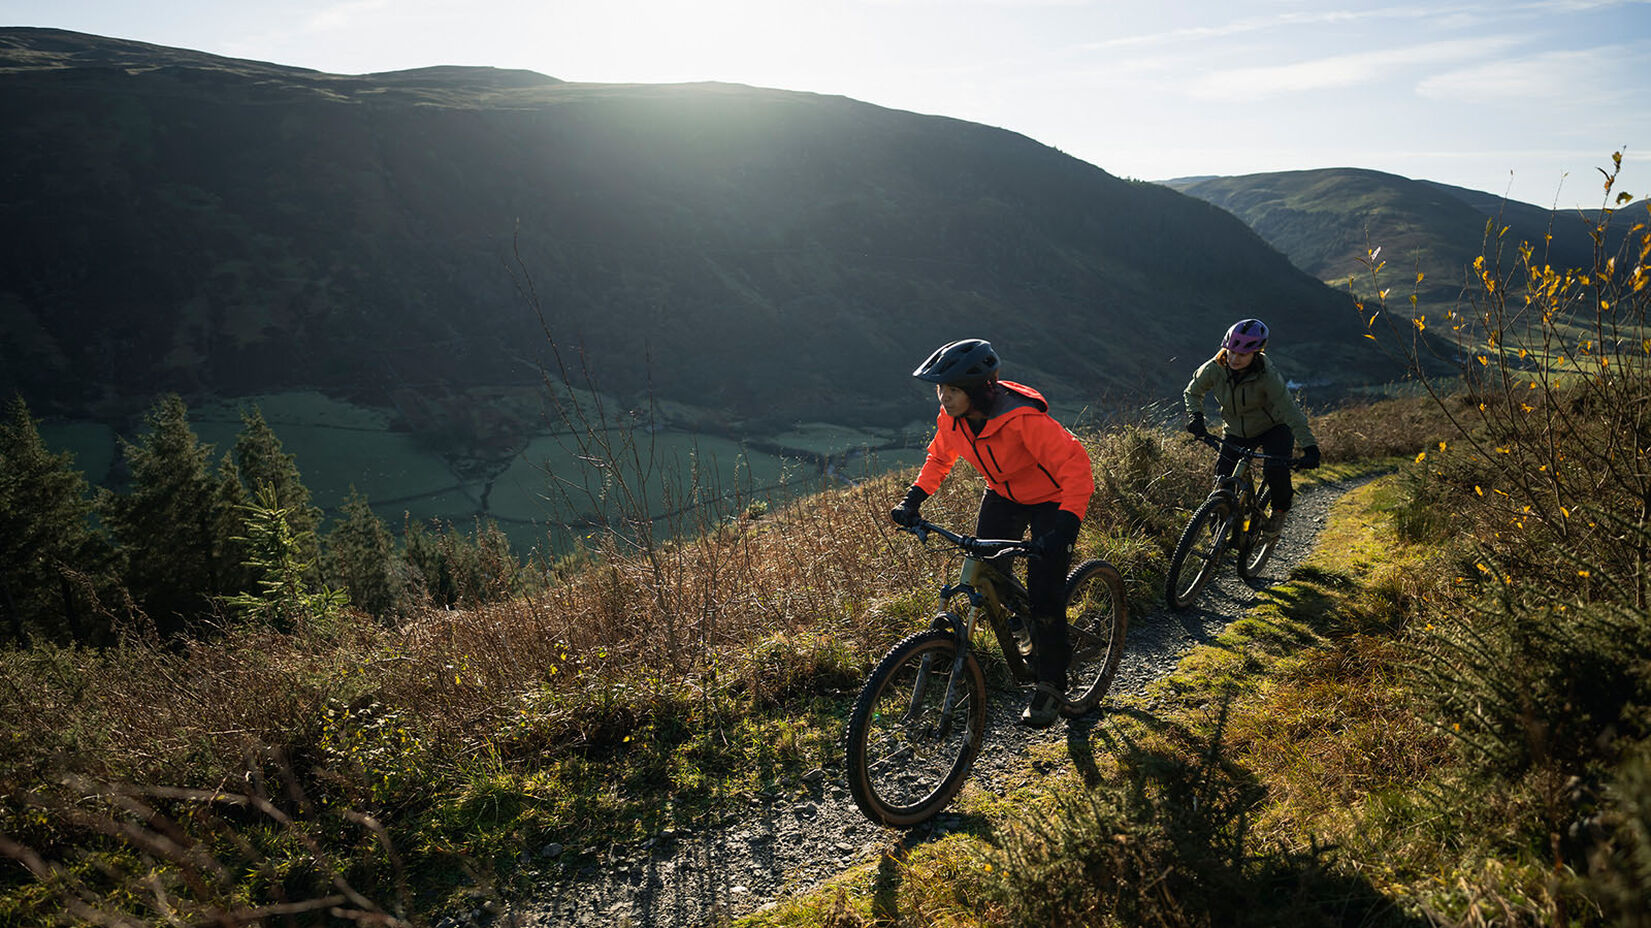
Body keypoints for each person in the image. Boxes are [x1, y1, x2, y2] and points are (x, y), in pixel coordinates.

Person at [889, 338, 1095, 729]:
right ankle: (1024, 628)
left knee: (1045, 594)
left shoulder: (1022, 420)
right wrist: (913, 500)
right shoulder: (951, 419)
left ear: (977, 390)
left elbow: (1076, 466)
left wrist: (1065, 527)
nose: (944, 398)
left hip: (1053, 500)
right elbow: (940, 457)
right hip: (1003, 494)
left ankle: (1052, 682)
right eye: (941, 389)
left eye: (952, 390)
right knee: (989, 573)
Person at [1182, 318, 1320, 536]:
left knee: (1276, 471)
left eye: (1242, 354)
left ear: (1255, 353)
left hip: (1273, 428)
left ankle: (1280, 511)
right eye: (1231, 352)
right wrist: (1196, 417)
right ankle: (1224, 529)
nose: (1234, 358)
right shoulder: (1214, 368)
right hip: (1236, 430)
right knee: (1223, 478)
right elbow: (1192, 392)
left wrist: (1310, 447)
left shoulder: (1268, 375)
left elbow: (1290, 411)